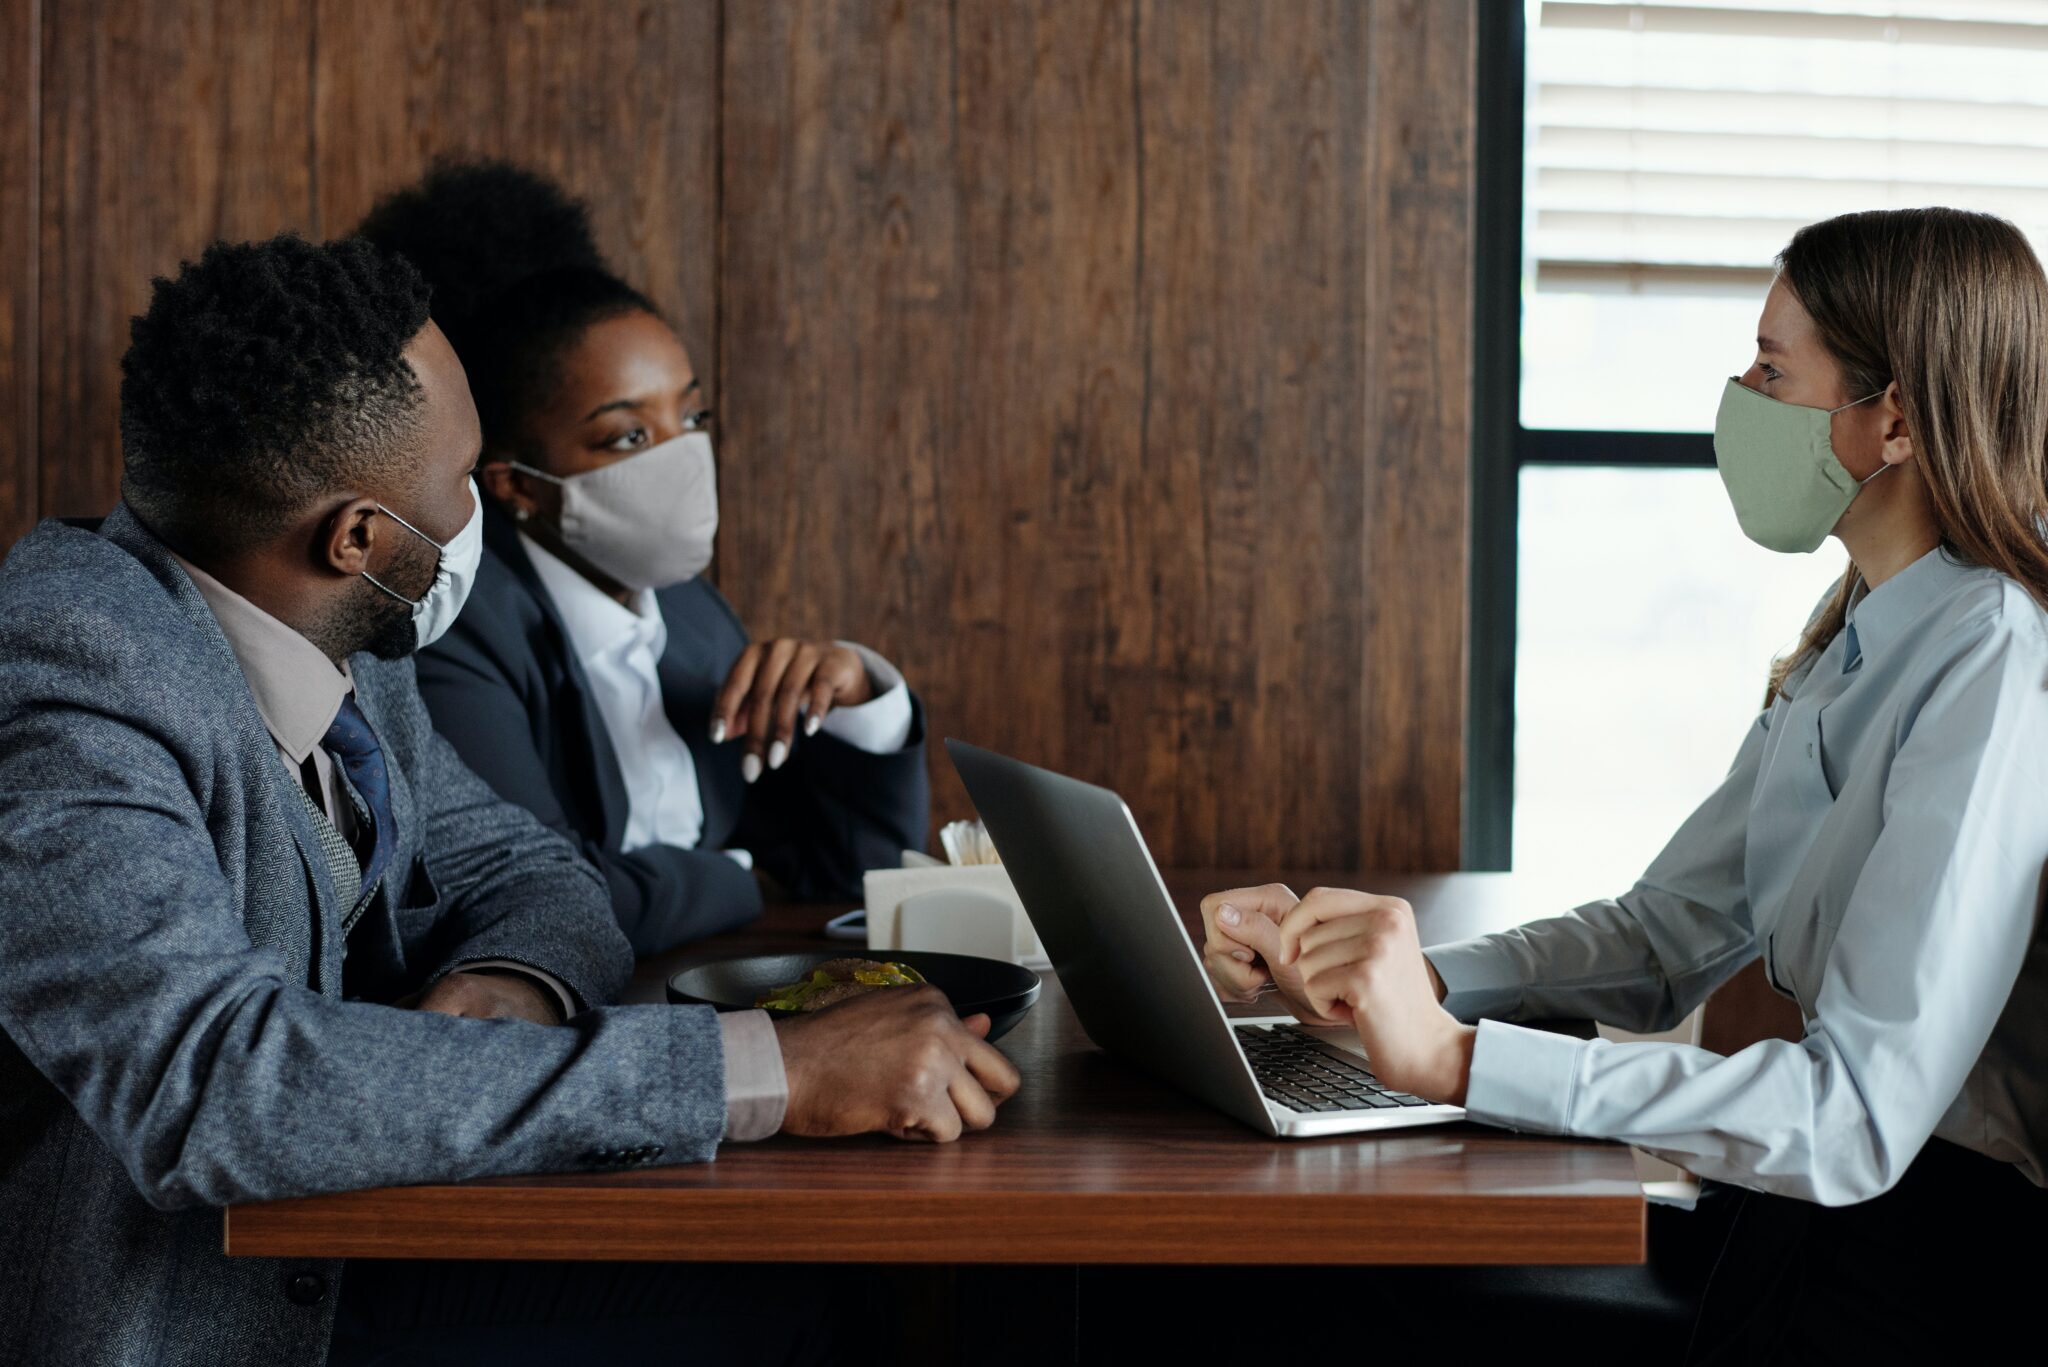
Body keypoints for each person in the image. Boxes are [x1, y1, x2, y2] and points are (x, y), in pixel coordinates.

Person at [0, 233, 1018, 1367]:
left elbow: (535, 870)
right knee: (801, 1314)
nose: (478, 505)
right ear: (360, 537)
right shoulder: (67, 689)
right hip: (202, 1318)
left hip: (356, 1236)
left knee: (838, 1291)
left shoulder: (344, 631)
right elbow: (214, 1086)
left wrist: (507, 986)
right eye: (463, 475)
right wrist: (773, 1070)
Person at [1201, 207, 2047, 1360]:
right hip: (1793, 1216)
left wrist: (1453, 1054)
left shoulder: (1994, 655)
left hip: (1911, 1267)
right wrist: (1387, 978)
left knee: (1293, 1294)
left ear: (1891, 416)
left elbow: (1851, 1119)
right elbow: (1665, 936)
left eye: (1768, 368)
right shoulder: (1865, 622)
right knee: (1305, 1267)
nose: (1736, 397)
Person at [355, 161, 929, 954]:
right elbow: (546, 896)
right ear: (517, 484)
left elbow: (853, 871)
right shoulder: (462, 627)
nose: (683, 455)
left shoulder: (691, 610)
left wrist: (867, 699)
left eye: (691, 415)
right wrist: (736, 878)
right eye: (629, 434)